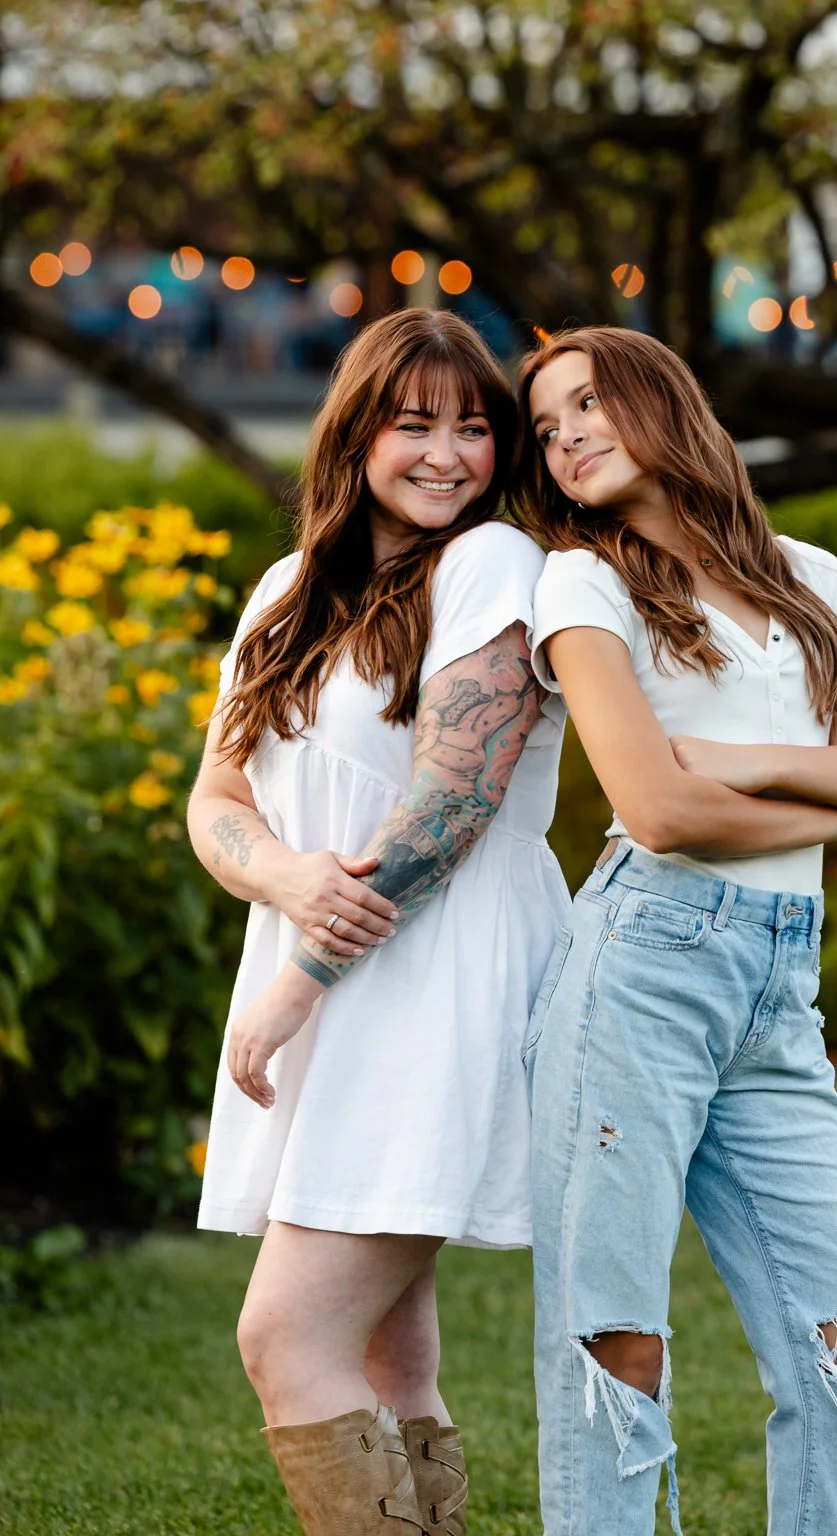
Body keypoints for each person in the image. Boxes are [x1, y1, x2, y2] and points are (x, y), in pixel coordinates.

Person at [510, 326, 837, 1536]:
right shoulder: (580, 583)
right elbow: (650, 805)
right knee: (615, 1351)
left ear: (662, 401)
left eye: (588, 403)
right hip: (640, 965)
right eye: (546, 428)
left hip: (776, 979)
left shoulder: (810, 576)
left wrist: (747, 762)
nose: (566, 439)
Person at [187, 308, 569, 1536]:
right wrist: (285, 878)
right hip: (334, 959)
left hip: (434, 974)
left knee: (286, 1334)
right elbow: (220, 794)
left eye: (473, 427)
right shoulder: (289, 589)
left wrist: (300, 969)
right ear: (355, 433)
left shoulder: (491, 563)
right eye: (414, 425)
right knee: (388, 1356)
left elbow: (455, 800)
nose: (447, 454)